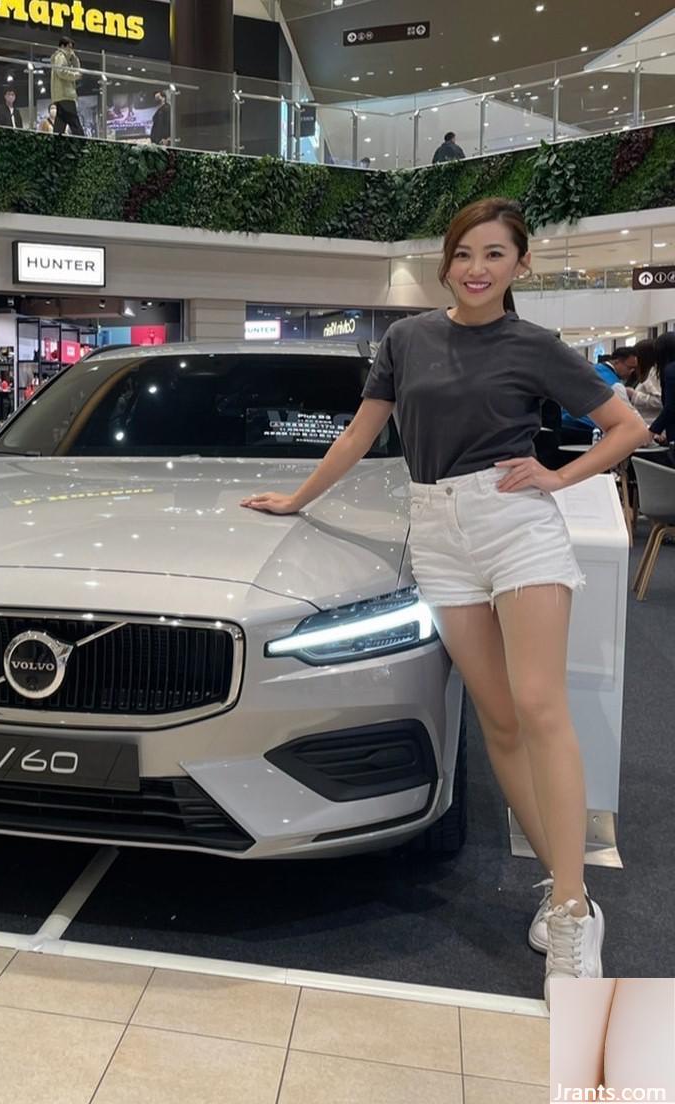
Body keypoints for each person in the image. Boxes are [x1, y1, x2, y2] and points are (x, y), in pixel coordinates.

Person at [241, 196, 651, 1002]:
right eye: (464, 253)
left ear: (520, 266)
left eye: (495, 254)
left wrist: (560, 477)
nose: (476, 268)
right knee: (495, 717)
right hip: (436, 530)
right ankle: (565, 890)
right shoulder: (406, 339)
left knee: (540, 707)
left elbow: (625, 425)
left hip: (516, 525)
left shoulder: (536, 345)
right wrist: (297, 500)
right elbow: (361, 433)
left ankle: (571, 908)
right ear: (446, 262)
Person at [50, 36, 84, 136]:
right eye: (69, 47)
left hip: (61, 95)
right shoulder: (60, 57)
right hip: (66, 94)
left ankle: (56, 146)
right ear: (62, 46)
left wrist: (74, 58)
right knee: (75, 123)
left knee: (60, 123)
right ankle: (83, 145)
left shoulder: (64, 57)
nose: (71, 50)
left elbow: (76, 67)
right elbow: (61, 72)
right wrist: (75, 76)